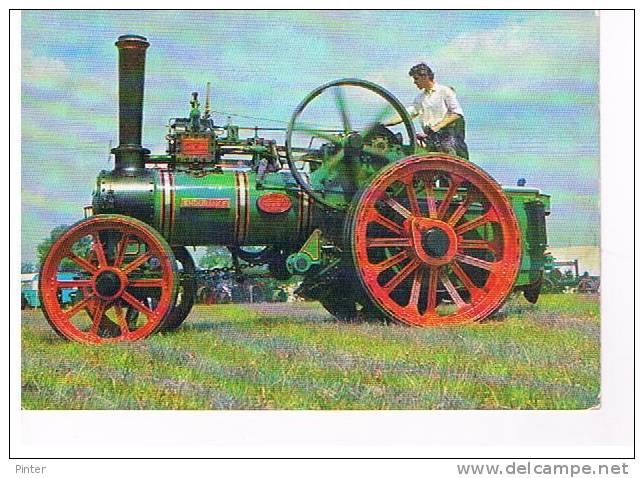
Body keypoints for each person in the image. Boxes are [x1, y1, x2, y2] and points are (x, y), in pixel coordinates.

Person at [386, 63, 469, 160]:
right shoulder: (420, 98)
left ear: (425, 76)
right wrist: (386, 123)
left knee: (450, 164)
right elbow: (406, 115)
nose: (414, 82)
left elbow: (457, 113)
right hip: (431, 139)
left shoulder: (444, 91)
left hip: (448, 139)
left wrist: (436, 127)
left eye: (416, 79)